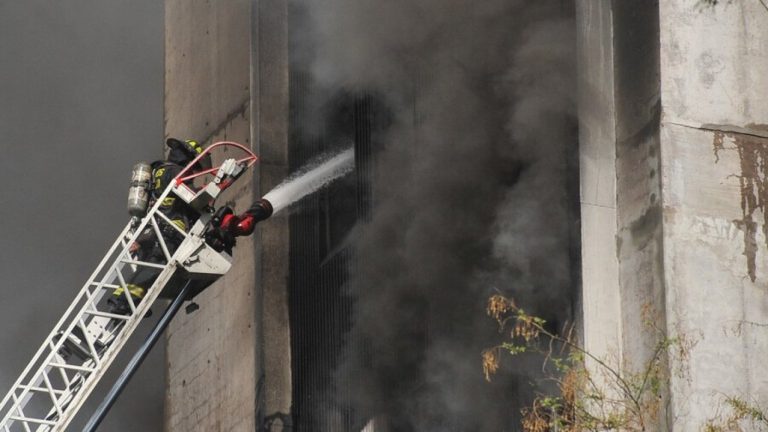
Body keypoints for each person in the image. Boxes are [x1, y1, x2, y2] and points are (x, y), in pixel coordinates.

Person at [109, 138, 211, 315]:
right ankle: (122, 301)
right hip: (168, 229)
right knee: (154, 266)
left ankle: (129, 300)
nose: (193, 171)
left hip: (151, 228)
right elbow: (189, 199)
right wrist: (205, 193)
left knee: (148, 267)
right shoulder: (176, 171)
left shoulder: (158, 170)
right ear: (188, 158)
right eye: (194, 165)